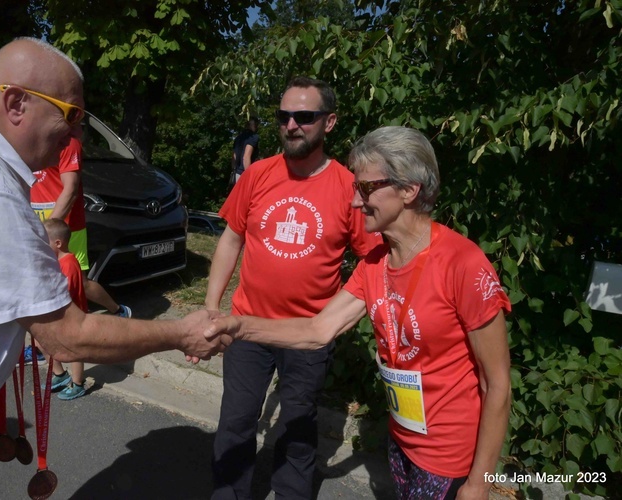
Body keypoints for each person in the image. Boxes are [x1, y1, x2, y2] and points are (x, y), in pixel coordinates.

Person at [0, 37, 224, 499]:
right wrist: (182, 333)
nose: (74, 134)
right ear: (17, 102)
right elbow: (66, 335)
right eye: (71, 114)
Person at [207, 126, 512, 500]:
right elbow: (318, 330)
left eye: (365, 188)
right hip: (401, 440)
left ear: (408, 190)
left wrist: (478, 482)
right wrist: (236, 326)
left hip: (449, 455)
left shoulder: (463, 264)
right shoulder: (375, 263)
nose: (353, 202)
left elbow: (496, 382)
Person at [206, 76, 380, 499]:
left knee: (298, 426)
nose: (291, 125)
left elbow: (372, 260)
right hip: (247, 325)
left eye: (304, 116)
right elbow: (232, 238)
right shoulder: (258, 174)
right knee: (236, 421)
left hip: (307, 334)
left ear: (330, 122)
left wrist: (337, 318)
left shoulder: (347, 187)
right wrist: (212, 307)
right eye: (284, 116)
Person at [31, 136, 133, 321]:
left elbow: (71, 188)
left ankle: (117, 310)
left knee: (80, 281)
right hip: (37, 222)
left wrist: (50, 227)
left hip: (64, 225)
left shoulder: (67, 141)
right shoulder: (26, 137)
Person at [43, 218, 91, 400]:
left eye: (44, 241)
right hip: (58, 315)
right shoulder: (56, 260)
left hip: (72, 317)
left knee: (74, 350)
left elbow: (66, 291)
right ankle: (60, 375)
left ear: (58, 243)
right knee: (42, 342)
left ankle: (78, 384)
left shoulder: (69, 263)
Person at [231, 117, 259, 184]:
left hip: (237, 174)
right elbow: (246, 157)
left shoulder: (238, 138)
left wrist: (234, 172)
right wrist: (249, 176)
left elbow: (234, 157)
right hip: (245, 173)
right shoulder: (253, 137)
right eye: (256, 124)